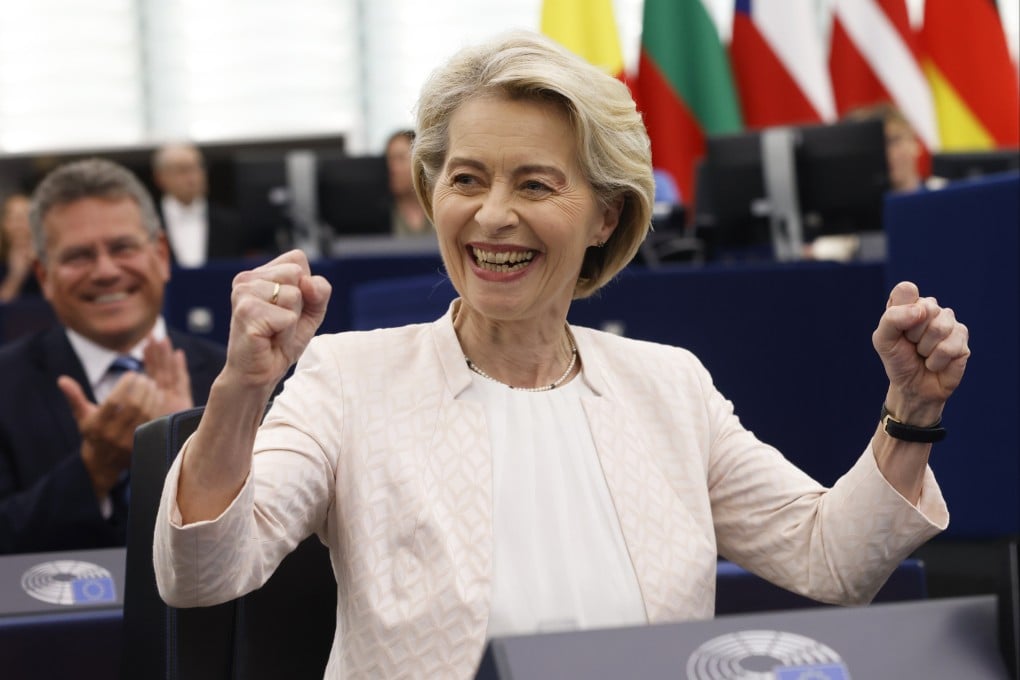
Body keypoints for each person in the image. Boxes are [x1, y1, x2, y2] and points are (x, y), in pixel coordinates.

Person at [154, 32, 969, 678]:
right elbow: (203, 575)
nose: (492, 216)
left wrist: (913, 413)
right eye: (466, 179)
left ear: (606, 216)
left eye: (536, 186)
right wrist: (242, 389)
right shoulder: (348, 378)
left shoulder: (669, 385)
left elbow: (832, 557)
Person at [0, 159, 226, 554]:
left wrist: (190, 458)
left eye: (122, 247)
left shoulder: (238, 381)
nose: (105, 271)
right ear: (43, 276)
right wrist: (94, 470)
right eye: (78, 256)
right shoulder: (6, 386)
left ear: (161, 256)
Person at [152, 142, 272, 266]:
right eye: (182, 170)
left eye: (198, 167)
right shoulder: (146, 224)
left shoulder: (231, 224)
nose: (192, 177)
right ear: (160, 177)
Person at [385, 129, 433, 238]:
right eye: (390, 160)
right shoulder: (381, 214)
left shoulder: (440, 208)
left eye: (400, 159)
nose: (392, 168)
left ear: (420, 162)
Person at [0, 192, 39, 302]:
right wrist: (16, 276)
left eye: (26, 218)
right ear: (4, 224)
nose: (20, 225)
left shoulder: (49, 258)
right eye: (15, 218)